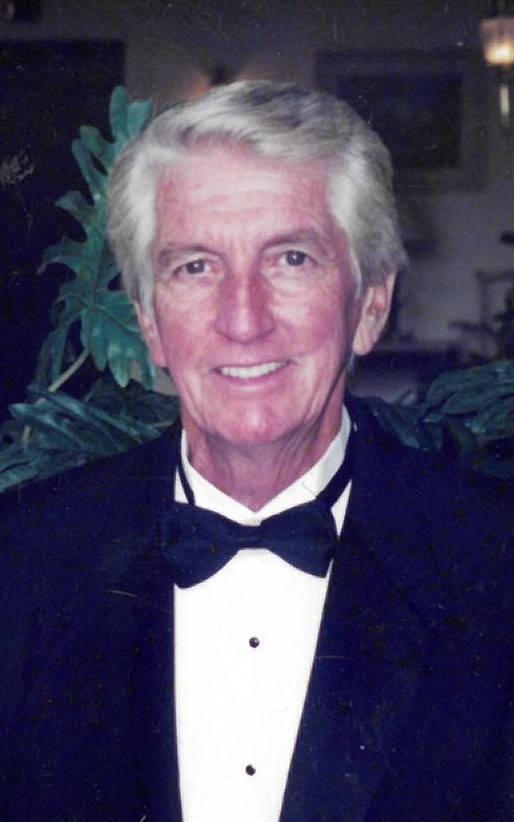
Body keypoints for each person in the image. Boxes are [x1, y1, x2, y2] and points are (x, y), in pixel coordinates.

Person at [1, 81, 513, 821]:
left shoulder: (494, 564)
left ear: (370, 305)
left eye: (291, 259)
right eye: (195, 267)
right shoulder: (23, 561)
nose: (243, 320)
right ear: (148, 322)